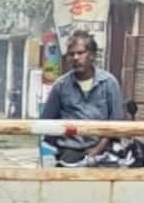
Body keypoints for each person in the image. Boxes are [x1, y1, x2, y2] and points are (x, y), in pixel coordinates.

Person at [39, 30, 124, 162]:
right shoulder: (61, 86)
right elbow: (47, 121)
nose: (75, 58)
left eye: (80, 53)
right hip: (70, 150)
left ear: (92, 55)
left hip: (104, 149)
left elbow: (116, 122)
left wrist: (97, 150)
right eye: (71, 54)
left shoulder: (108, 83)